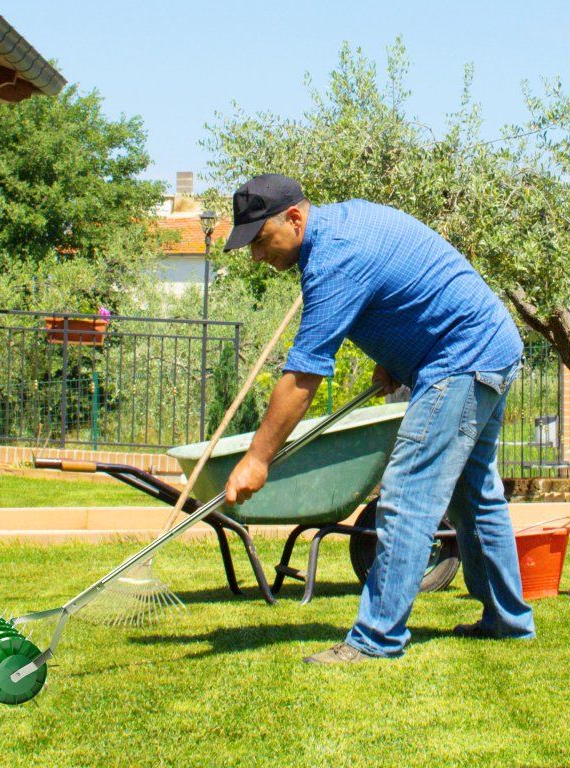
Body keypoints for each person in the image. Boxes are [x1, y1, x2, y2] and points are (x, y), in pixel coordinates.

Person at [222, 174, 535, 664]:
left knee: (409, 493)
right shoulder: (344, 228)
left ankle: (376, 637)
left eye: (260, 241)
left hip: (463, 358)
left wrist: (257, 459)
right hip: (488, 346)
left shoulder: (333, 258)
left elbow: (304, 374)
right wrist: (396, 355)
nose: (257, 256)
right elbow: (400, 284)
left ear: (295, 218)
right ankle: (507, 621)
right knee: (473, 493)